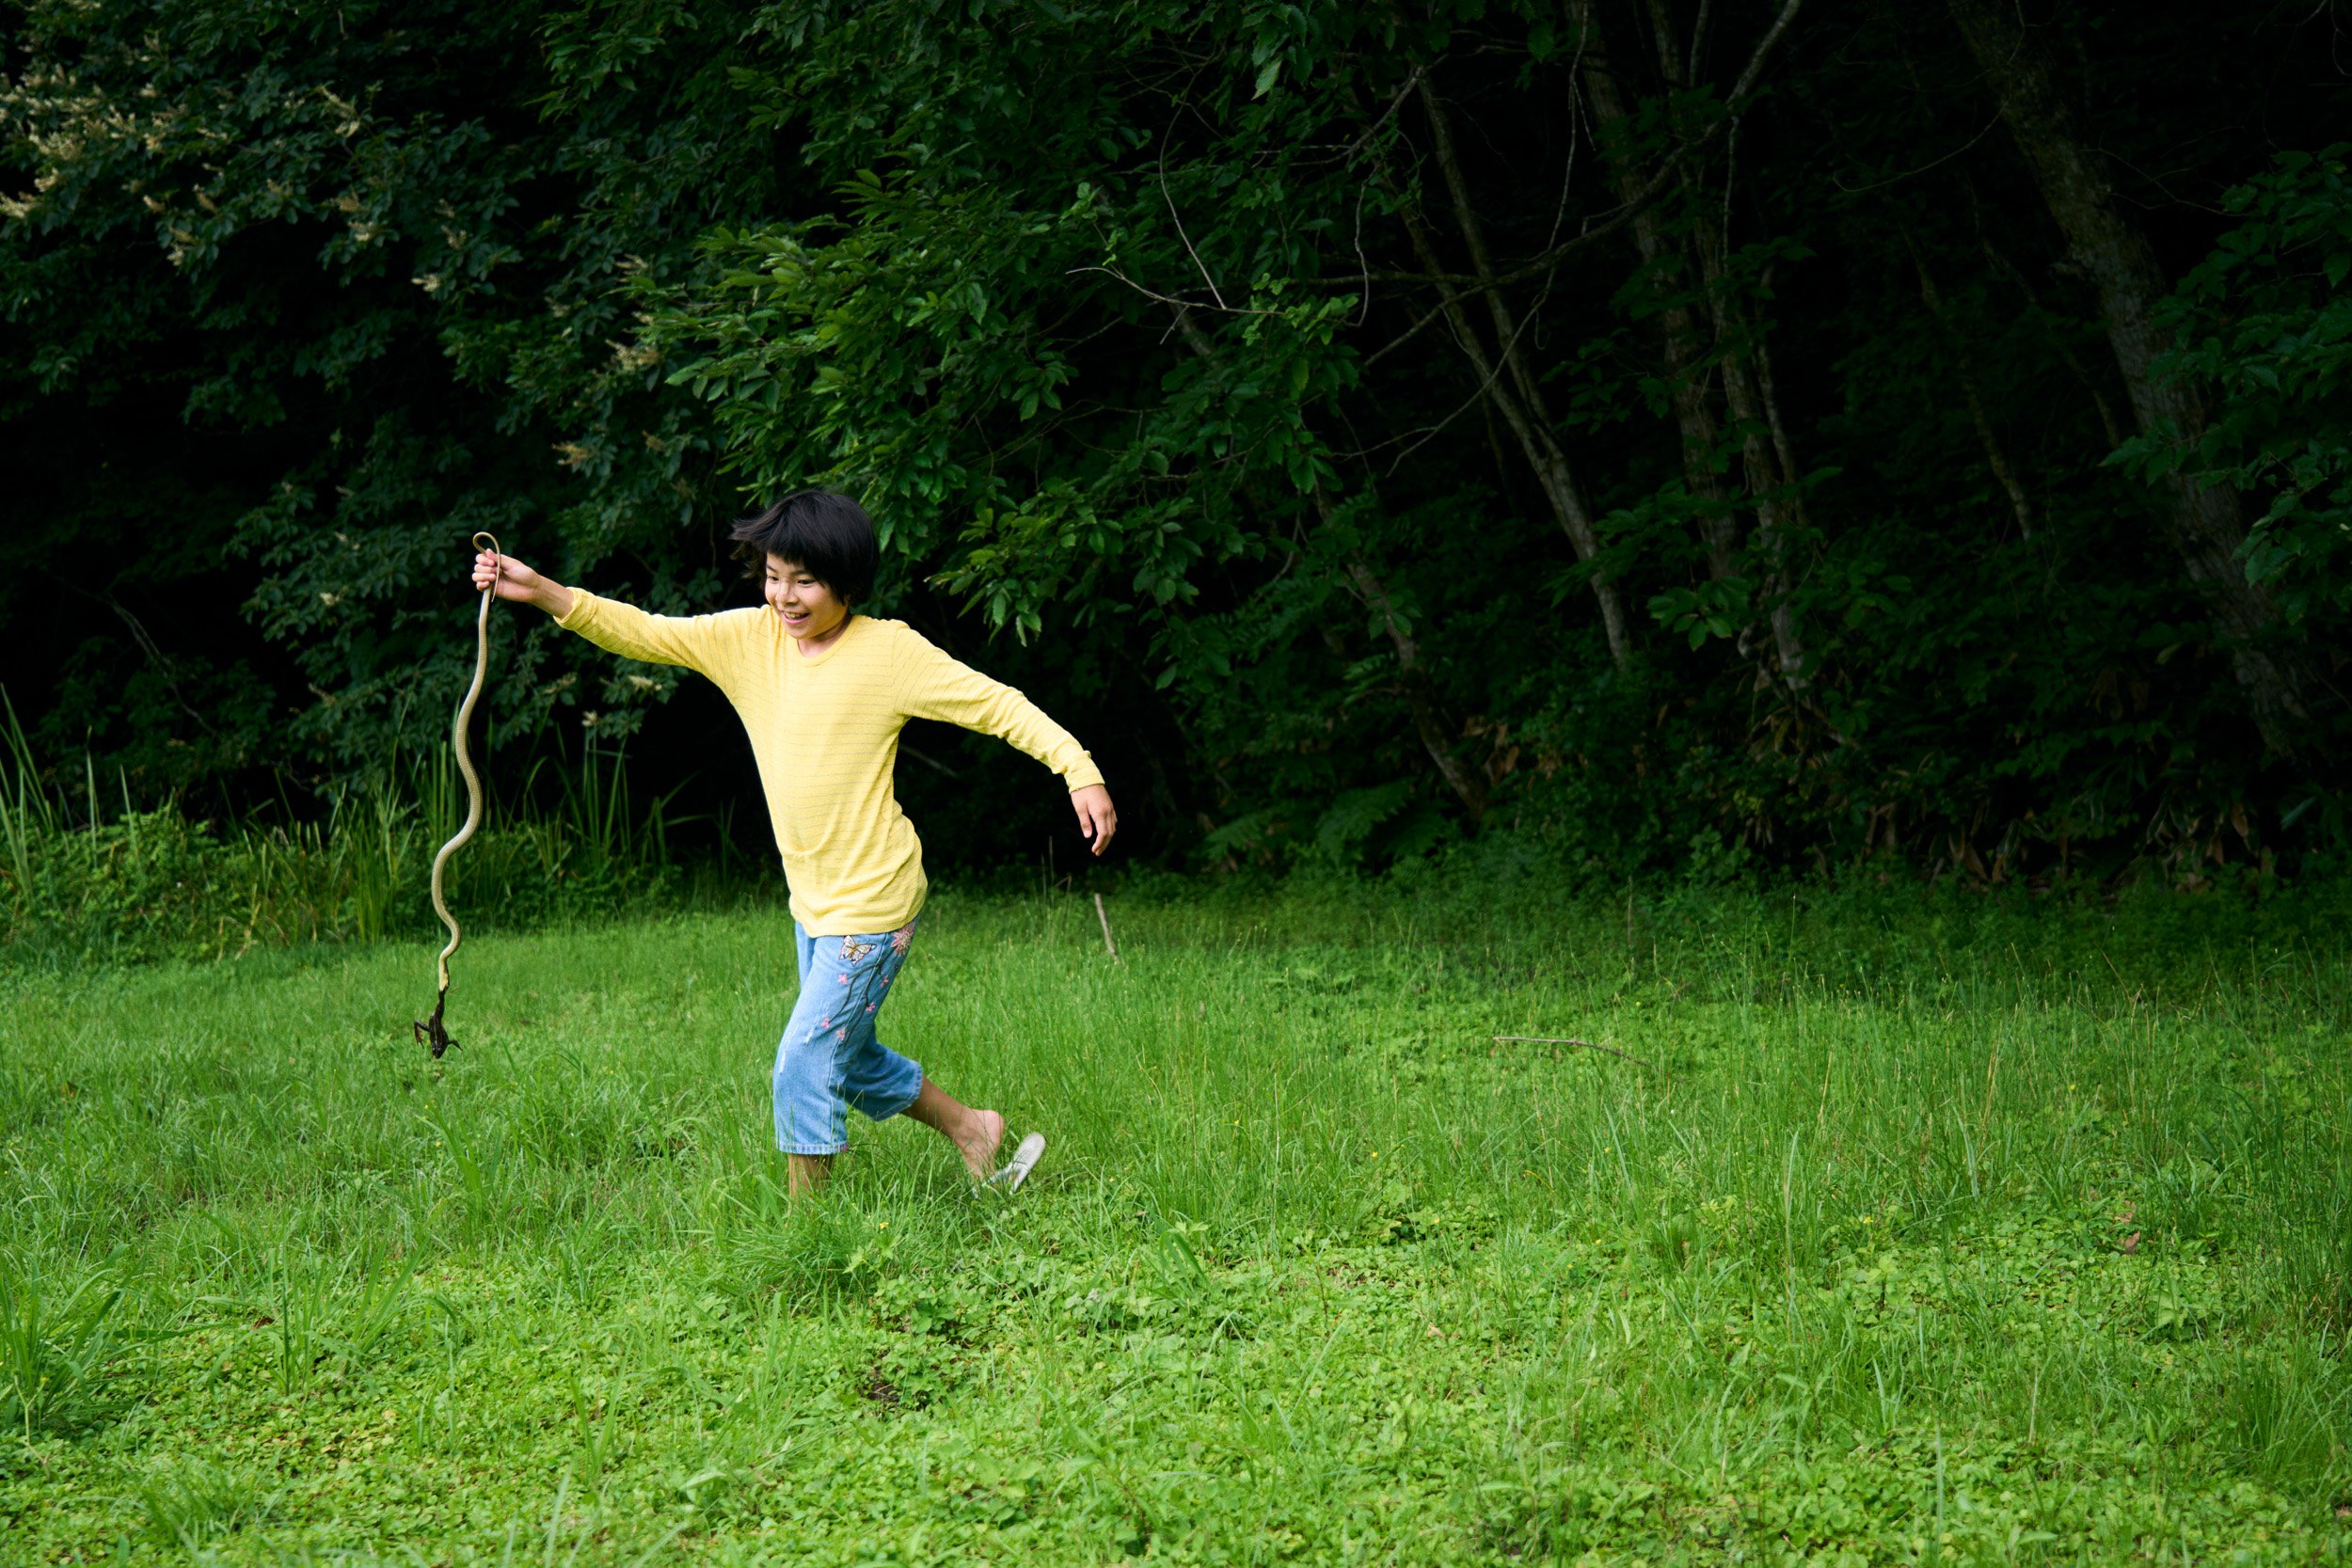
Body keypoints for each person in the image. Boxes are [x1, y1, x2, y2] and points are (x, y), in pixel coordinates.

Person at [469, 490, 1116, 1196]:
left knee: (804, 1059)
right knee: (851, 1053)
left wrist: (1077, 768)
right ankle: (974, 1129)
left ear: (847, 581)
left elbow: (996, 703)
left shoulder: (889, 652)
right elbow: (649, 631)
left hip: (874, 904)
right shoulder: (749, 641)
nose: (785, 595)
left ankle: (810, 1237)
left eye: (804, 579)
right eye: (775, 575)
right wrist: (548, 594)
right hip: (813, 904)